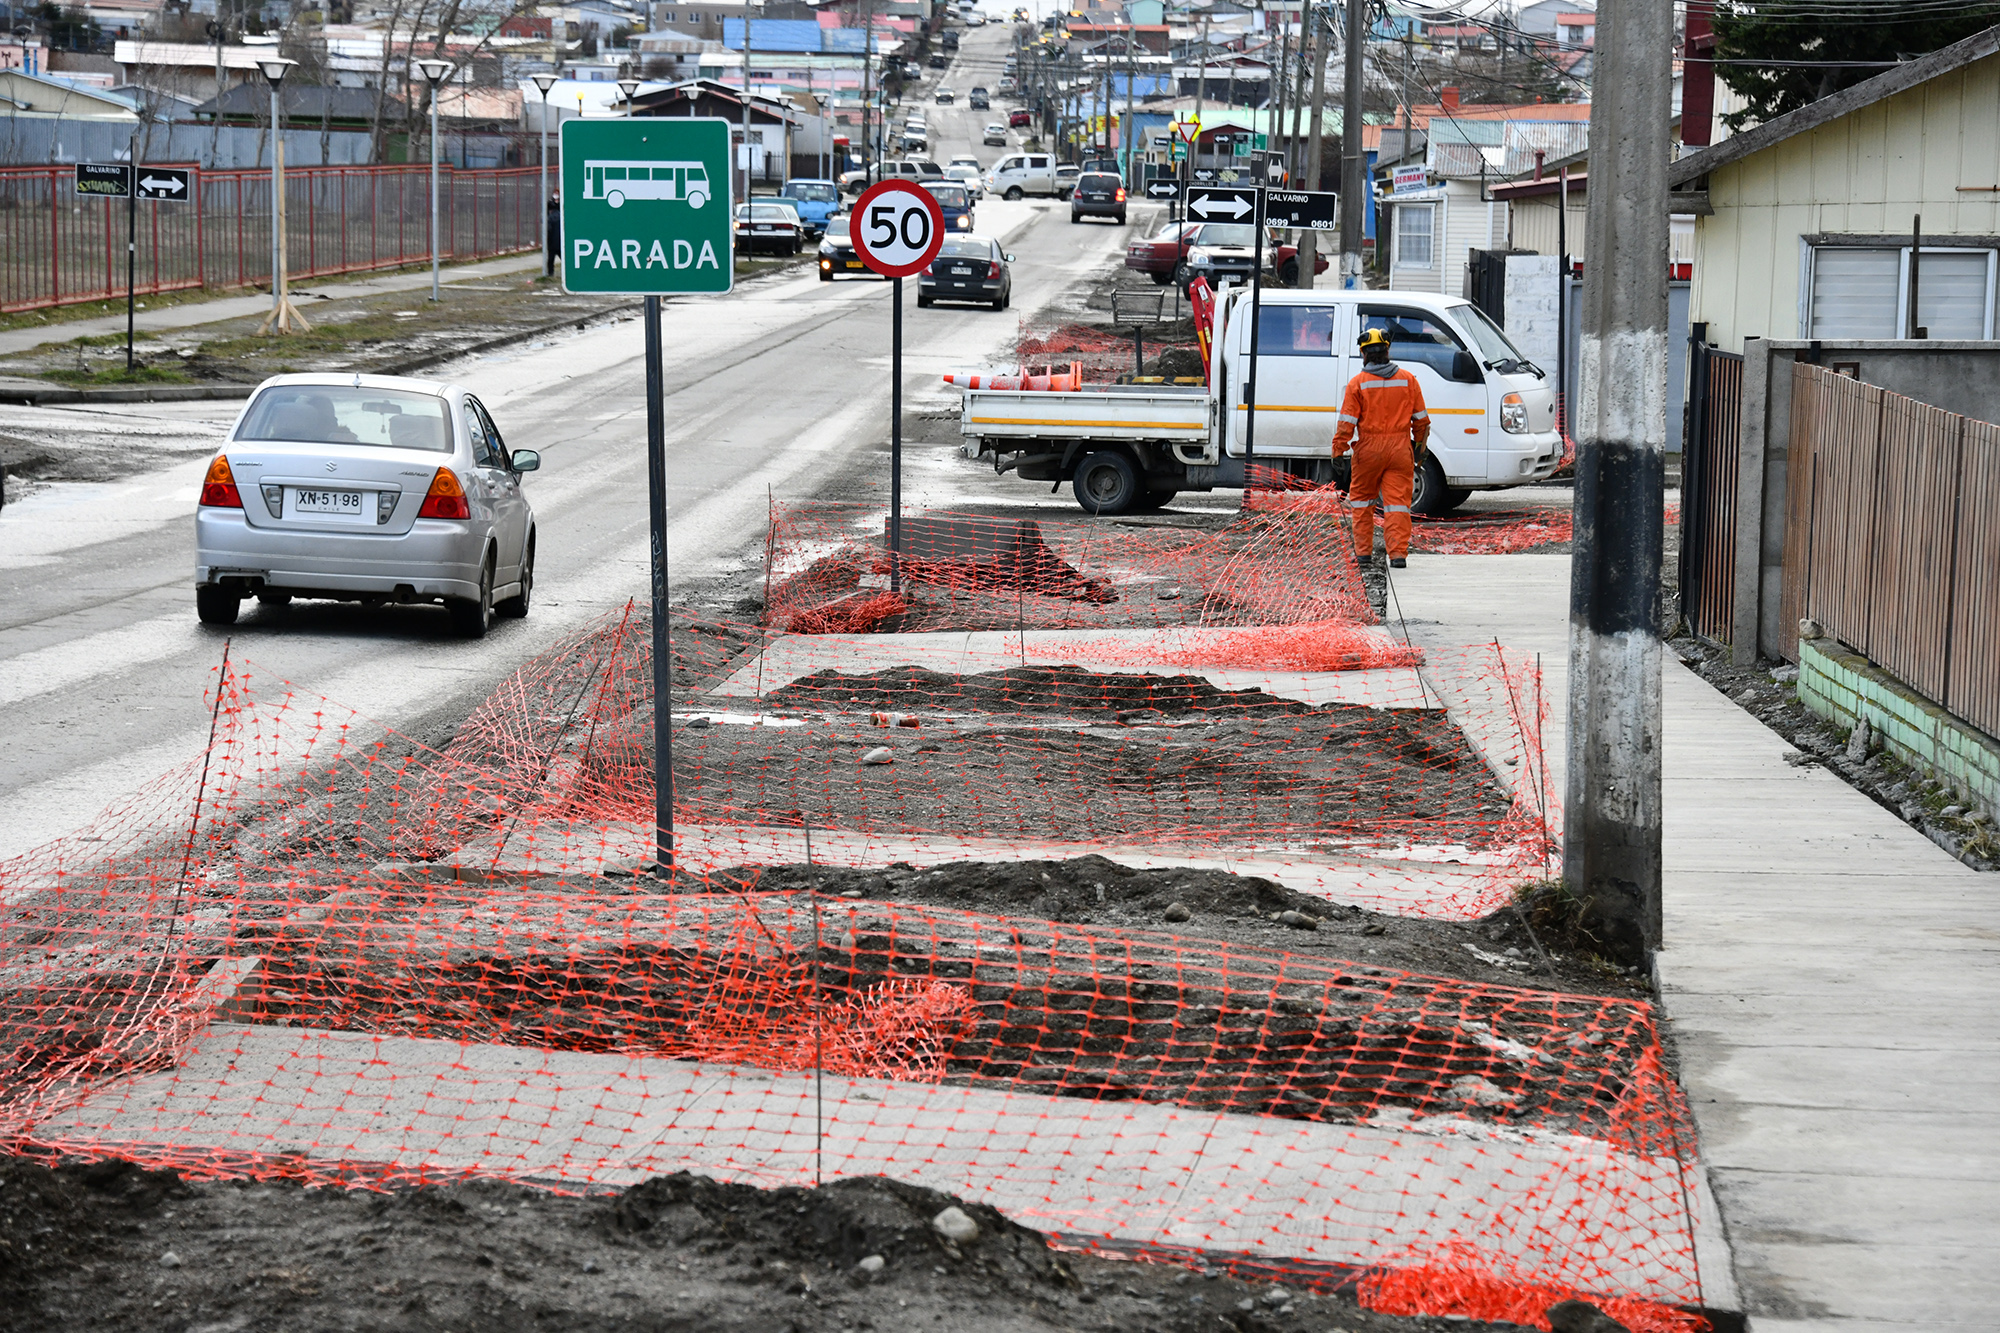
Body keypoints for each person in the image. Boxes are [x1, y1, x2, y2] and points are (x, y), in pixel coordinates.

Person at [1330, 326, 1430, 569]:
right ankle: (1397, 555)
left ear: (1364, 354)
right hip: (1399, 450)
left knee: (1362, 502)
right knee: (1397, 505)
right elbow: (1422, 421)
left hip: (1368, 451)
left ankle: (1363, 554)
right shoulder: (1408, 380)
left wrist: (1338, 451)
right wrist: (1419, 450)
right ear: (1387, 351)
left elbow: (1346, 424)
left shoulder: (1358, 384)